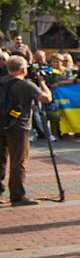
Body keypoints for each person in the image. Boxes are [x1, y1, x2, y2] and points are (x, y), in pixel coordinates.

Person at [0, 56, 52, 206]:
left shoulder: (2, 81)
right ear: (23, 69)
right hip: (18, 127)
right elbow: (46, 98)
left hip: (1, 124)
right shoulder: (26, 85)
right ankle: (17, 196)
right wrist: (42, 83)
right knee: (18, 161)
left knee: (0, 160)